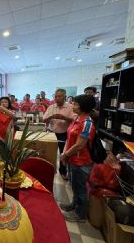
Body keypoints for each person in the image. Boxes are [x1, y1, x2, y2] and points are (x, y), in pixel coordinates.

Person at [59, 94, 96, 222]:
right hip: (72, 159)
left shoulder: (87, 123)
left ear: (83, 107)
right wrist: (66, 154)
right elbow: (69, 138)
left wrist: (65, 154)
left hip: (82, 162)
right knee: (74, 185)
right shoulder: (76, 118)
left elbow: (80, 145)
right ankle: (74, 205)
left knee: (81, 188)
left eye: (75, 104)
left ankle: (80, 215)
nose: (72, 105)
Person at [43, 89, 74, 180]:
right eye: (55, 96)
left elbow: (75, 121)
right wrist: (51, 117)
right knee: (48, 152)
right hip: (51, 133)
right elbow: (44, 120)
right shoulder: (51, 107)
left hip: (64, 133)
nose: (57, 98)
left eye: (59, 96)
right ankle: (48, 170)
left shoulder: (70, 107)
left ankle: (63, 171)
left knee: (63, 153)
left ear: (65, 96)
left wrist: (64, 118)